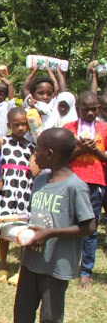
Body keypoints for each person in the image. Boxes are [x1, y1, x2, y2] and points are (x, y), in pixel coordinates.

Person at [0, 128, 95, 323]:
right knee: (22, 311)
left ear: (49, 154)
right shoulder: (39, 181)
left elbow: (89, 226)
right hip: (31, 261)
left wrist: (51, 233)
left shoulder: (75, 186)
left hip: (56, 264)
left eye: (37, 150)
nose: (33, 154)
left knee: (50, 316)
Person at [0, 107, 38, 285]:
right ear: (8, 125)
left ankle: (21, 269)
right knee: (4, 227)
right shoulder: (2, 142)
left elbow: (35, 171)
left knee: (23, 229)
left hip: (24, 193)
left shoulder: (32, 146)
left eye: (24, 124)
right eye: (16, 125)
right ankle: (3, 266)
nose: (21, 128)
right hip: (7, 193)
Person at [62, 91, 107, 288]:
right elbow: (63, 157)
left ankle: (86, 271)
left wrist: (95, 150)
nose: (90, 113)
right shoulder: (68, 128)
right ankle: (64, 265)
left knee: (90, 227)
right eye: (86, 109)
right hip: (71, 181)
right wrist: (81, 149)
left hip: (96, 182)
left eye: (94, 109)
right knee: (66, 224)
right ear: (78, 109)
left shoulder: (104, 129)